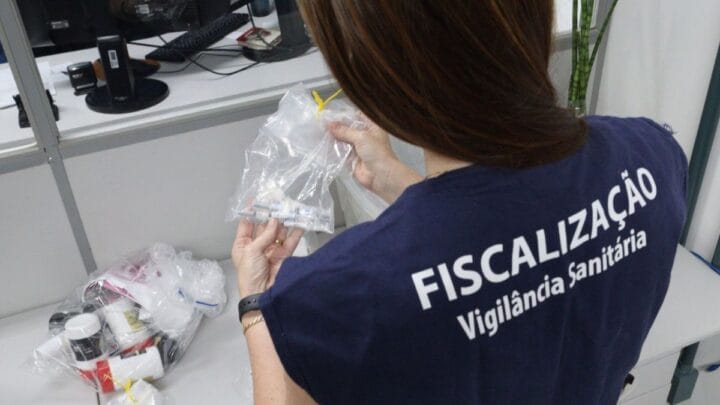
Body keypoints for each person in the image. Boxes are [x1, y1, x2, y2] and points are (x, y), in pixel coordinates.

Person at [232, 1, 688, 404]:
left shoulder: (325, 304)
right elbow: (521, 239)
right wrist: (398, 182)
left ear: (371, 75)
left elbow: (482, 256)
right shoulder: (652, 156)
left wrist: (257, 307)